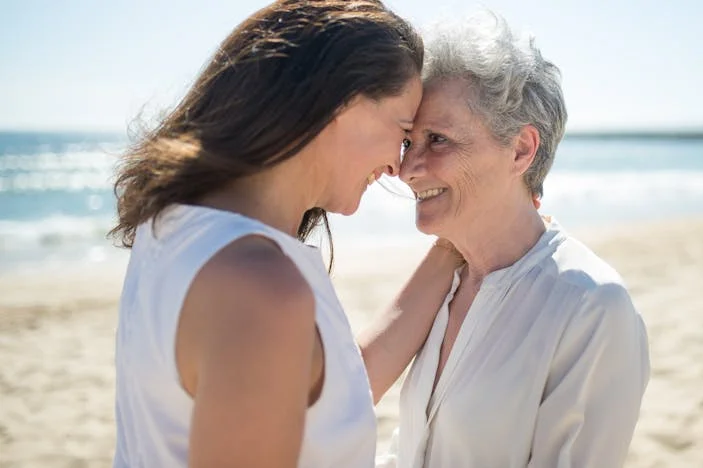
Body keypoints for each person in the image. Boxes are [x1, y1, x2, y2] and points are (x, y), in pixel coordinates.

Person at [109, 2, 462, 467]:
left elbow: (327, 392)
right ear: (339, 102)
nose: (399, 165)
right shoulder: (259, 287)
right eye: (401, 130)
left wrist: (454, 244)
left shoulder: (180, 227)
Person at [380, 12, 650, 468]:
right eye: (409, 142)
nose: (408, 169)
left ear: (521, 149)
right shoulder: (444, 286)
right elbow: (410, 450)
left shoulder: (592, 307)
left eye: (438, 140)